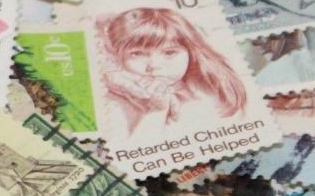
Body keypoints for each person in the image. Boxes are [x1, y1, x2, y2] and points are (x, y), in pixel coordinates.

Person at [93, 7, 248, 134]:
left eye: (169, 53)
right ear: (116, 57)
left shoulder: (209, 90)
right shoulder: (114, 103)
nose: (154, 65)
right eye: (137, 54)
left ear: (191, 52)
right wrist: (156, 111)